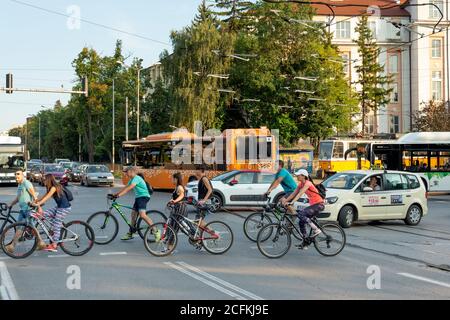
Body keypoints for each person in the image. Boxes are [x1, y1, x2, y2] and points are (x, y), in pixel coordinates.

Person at [282, 169, 324, 249]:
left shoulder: (308, 183)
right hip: (313, 205)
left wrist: (292, 202)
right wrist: (285, 201)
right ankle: (305, 242)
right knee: (301, 222)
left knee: (301, 214)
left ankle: (316, 229)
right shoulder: (301, 184)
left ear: (303, 176)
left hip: (319, 205)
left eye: (298, 175)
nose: (297, 176)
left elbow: (300, 193)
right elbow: (294, 193)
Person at [114, 166, 159, 241]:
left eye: (127, 172)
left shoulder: (137, 178)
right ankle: (131, 233)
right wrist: (115, 194)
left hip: (144, 197)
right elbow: (125, 188)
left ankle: (155, 230)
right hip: (138, 198)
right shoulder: (131, 179)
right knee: (133, 215)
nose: (126, 174)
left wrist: (119, 195)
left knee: (142, 215)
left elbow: (129, 188)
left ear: (131, 171)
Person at [5, 170, 45, 253]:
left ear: (23, 175)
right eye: (15, 175)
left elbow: (34, 196)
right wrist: (11, 204)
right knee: (19, 227)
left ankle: (41, 242)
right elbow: (18, 198)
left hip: (29, 209)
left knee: (31, 226)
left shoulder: (26, 183)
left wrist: (39, 207)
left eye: (18, 174)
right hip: (22, 210)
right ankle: (12, 246)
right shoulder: (19, 185)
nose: (17, 176)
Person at [34, 174, 72, 252]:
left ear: (48, 180)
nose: (43, 181)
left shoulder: (54, 188)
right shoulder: (50, 188)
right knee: (42, 214)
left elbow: (47, 198)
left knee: (56, 226)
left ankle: (54, 245)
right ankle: (57, 225)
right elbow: (43, 197)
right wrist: (35, 201)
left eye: (44, 180)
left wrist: (38, 204)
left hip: (64, 208)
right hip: (59, 207)